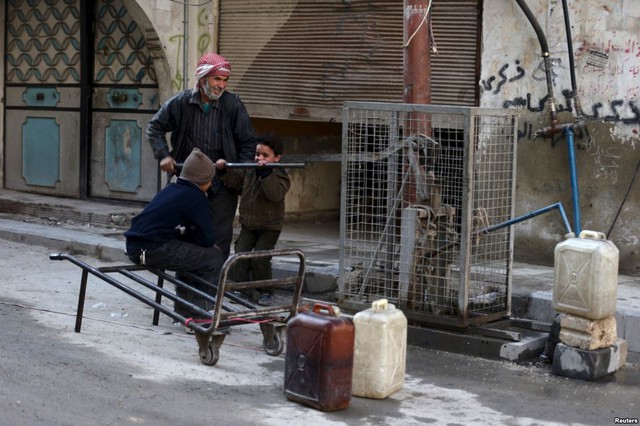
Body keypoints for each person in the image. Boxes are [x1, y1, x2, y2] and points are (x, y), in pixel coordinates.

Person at [146, 52, 257, 259]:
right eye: (217, 79)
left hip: (222, 180)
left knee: (219, 235)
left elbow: (249, 143)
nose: (221, 85)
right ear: (203, 78)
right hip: (190, 180)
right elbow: (155, 127)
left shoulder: (232, 105)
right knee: (187, 230)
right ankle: (185, 287)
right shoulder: (181, 103)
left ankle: (213, 285)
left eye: (224, 80)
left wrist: (239, 171)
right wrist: (163, 155)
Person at [124, 148, 224, 327]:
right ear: (204, 180)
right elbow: (207, 238)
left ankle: (184, 309)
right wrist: (196, 237)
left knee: (192, 256)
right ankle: (199, 314)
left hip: (135, 246)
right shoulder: (196, 197)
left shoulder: (172, 188)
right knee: (213, 257)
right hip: (153, 248)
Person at [219, 135, 291, 306]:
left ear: (277, 158)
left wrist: (266, 174)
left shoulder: (280, 174)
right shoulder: (250, 169)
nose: (259, 158)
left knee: (260, 258)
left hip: (269, 226)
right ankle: (243, 290)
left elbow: (274, 194)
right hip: (248, 224)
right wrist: (222, 171)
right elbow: (234, 181)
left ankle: (266, 291)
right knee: (240, 254)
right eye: (258, 154)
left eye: (265, 156)